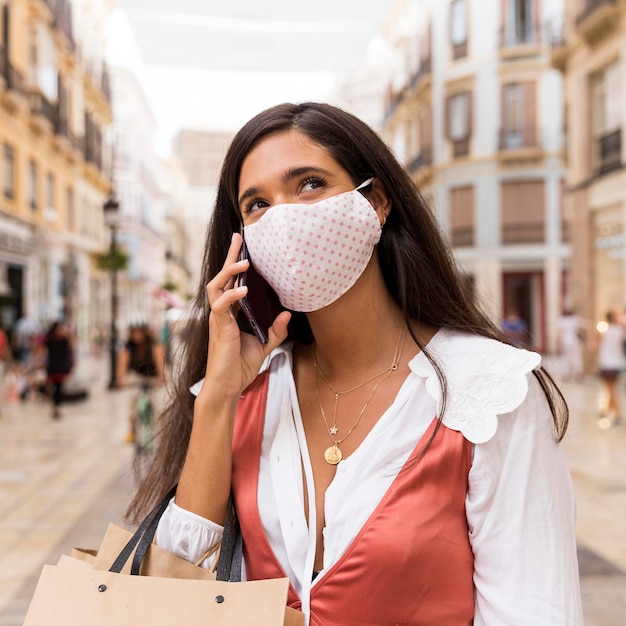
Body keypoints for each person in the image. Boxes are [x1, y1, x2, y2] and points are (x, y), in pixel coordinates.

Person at [127, 103, 582, 624]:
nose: (283, 216)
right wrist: (217, 399)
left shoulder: (484, 393)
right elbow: (172, 594)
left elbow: (535, 610)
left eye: (310, 184)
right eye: (256, 204)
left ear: (378, 200)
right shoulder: (248, 390)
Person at [118, 322, 165, 443]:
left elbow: (160, 362)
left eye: (140, 331)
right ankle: (132, 430)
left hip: (152, 376)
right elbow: (122, 364)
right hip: (136, 376)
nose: (137, 335)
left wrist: (162, 377)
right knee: (132, 401)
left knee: (159, 405)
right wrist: (121, 379)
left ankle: (162, 433)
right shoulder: (128, 347)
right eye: (134, 332)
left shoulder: (154, 345)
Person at [596, 310, 624, 428]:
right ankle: (605, 411)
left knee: (611, 389)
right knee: (609, 388)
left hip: (606, 363)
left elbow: (596, 345)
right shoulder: (620, 331)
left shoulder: (604, 331)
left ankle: (617, 415)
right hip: (617, 363)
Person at [43, 321, 74, 419]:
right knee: (55, 388)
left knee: (59, 388)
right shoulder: (51, 340)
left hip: (60, 368)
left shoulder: (63, 340)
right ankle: (56, 406)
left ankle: (57, 407)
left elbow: (68, 352)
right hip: (54, 367)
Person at [557, 308, 584, 382]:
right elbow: (581, 329)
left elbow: (560, 333)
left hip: (566, 341)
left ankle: (566, 374)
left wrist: (558, 343)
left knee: (566, 358)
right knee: (576, 357)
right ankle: (578, 373)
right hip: (574, 341)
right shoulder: (575, 320)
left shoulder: (562, 320)